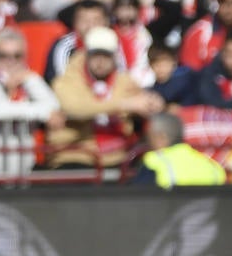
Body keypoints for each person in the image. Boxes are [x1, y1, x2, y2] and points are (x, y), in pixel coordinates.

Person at [47, 26, 162, 170]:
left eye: (106, 55)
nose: (100, 61)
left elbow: (143, 101)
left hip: (119, 156)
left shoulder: (124, 81)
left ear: (114, 57)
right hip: (76, 155)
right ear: (86, 55)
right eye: (95, 55)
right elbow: (75, 108)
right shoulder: (66, 81)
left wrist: (153, 104)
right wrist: (125, 105)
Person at [0, 28, 61, 175]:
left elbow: (54, 106)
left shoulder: (29, 79)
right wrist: (42, 112)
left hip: (26, 168)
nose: (10, 62)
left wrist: (29, 80)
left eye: (17, 56)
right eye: (3, 55)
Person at [133, 111, 227, 188]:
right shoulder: (214, 167)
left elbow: (137, 197)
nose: (147, 143)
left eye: (149, 137)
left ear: (161, 137)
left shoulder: (154, 161)